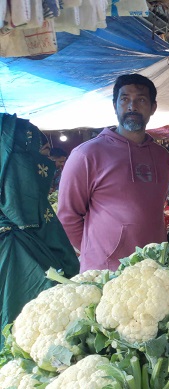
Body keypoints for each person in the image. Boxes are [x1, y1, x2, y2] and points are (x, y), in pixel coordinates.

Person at [58, 74, 169, 272]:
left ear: (153, 107)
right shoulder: (87, 154)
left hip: (154, 268)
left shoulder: (162, 157)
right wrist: (97, 254)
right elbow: (68, 216)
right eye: (125, 99)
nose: (132, 106)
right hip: (106, 273)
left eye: (141, 100)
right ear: (115, 105)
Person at [0, 114, 80, 341]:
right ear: (18, 165)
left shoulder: (34, 218)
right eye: (42, 154)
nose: (49, 165)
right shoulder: (10, 241)